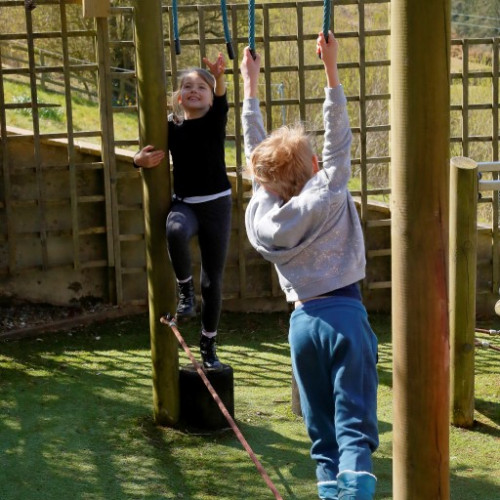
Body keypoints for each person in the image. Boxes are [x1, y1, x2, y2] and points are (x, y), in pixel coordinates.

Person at [240, 33, 379, 500]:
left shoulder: (263, 212)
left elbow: (255, 155)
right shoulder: (329, 190)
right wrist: (331, 73)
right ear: (315, 165)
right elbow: (340, 140)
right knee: (354, 421)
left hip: (302, 325)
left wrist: (251, 90)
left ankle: (328, 493)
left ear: (267, 181)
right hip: (344, 316)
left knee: (321, 425)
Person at [133, 53, 232, 369]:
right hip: (186, 203)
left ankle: (208, 342)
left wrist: (219, 76)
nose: (194, 90)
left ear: (209, 96)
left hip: (216, 204)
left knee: (212, 280)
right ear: (178, 97)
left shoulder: (215, 120)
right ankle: (185, 292)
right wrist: (138, 161)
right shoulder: (171, 128)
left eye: (201, 87)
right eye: (187, 86)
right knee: (174, 229)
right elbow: (148, 152)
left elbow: (222, 98)